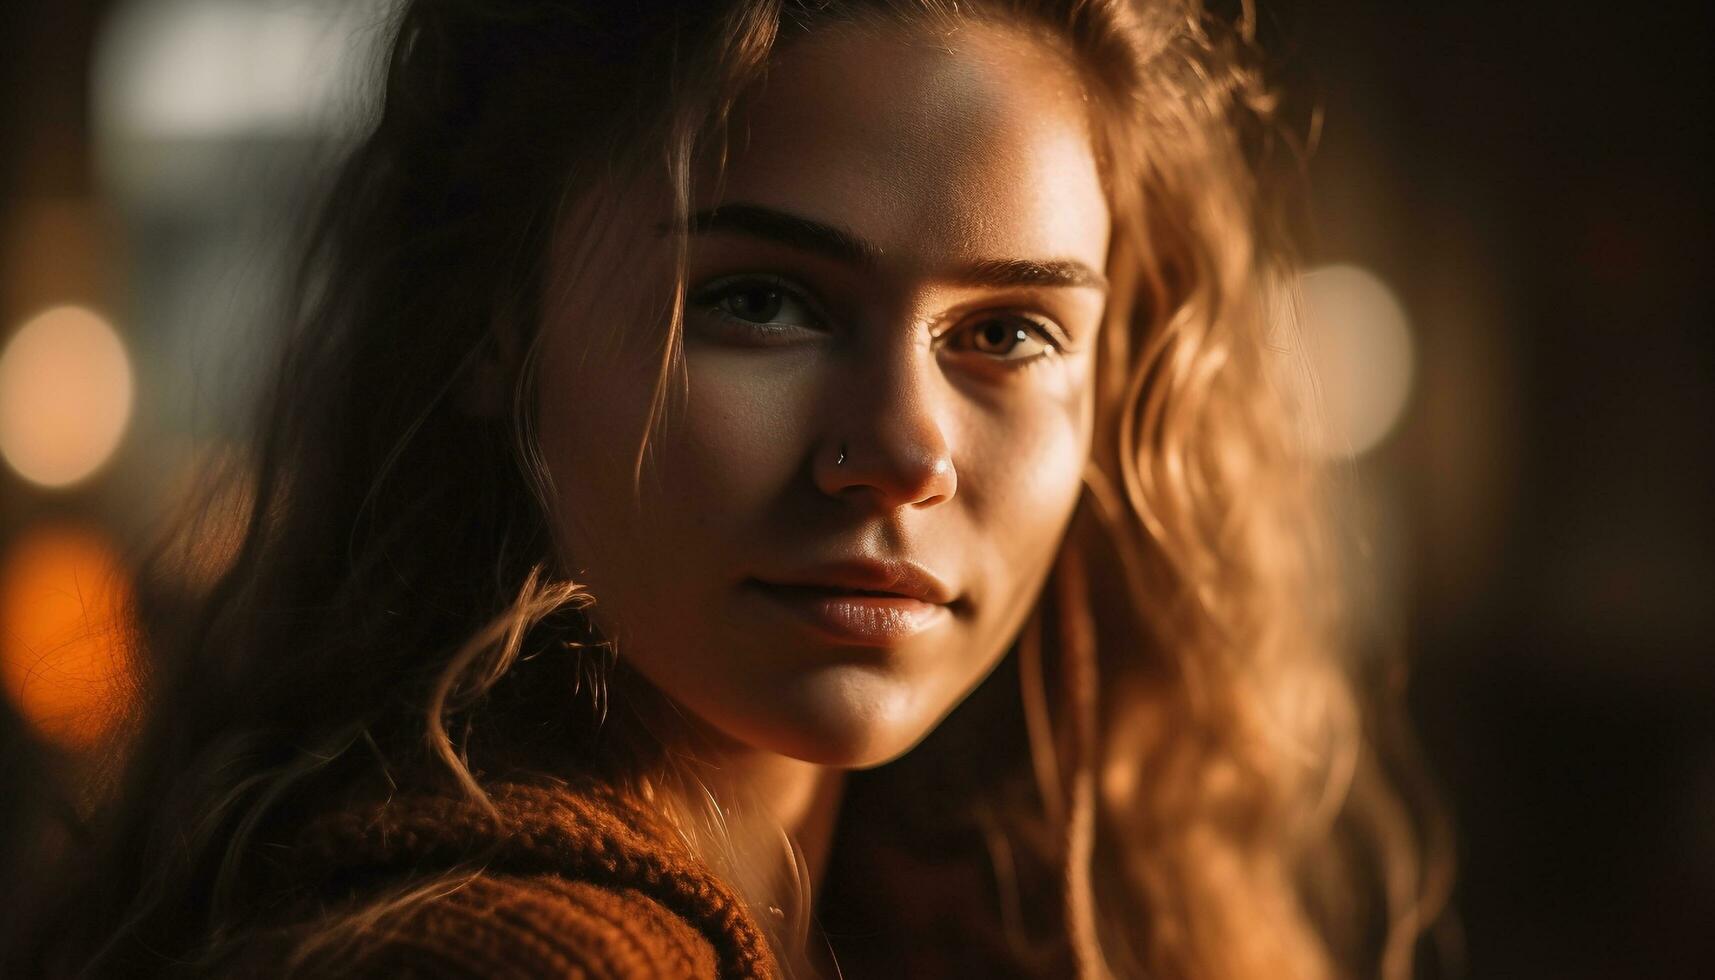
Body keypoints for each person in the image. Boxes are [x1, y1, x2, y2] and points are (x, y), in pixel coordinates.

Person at [19, 0, 1444, 977]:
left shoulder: (960, 889)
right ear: (488, 325)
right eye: (762, 301)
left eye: (1006, 331)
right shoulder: (499, 957)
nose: (902, 449)